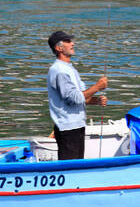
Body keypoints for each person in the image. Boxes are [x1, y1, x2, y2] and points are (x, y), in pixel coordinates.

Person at [46, 30, 107, 161]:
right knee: (69, 166)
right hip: (67, 128)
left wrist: (95, 101)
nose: (72, 43)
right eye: (68, 41)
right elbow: (74, 98)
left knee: (77, 163)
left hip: (77, 125)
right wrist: (97, 87)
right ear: (59, 48)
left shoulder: (70, 69)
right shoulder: (59, 71)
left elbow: (81, 96)